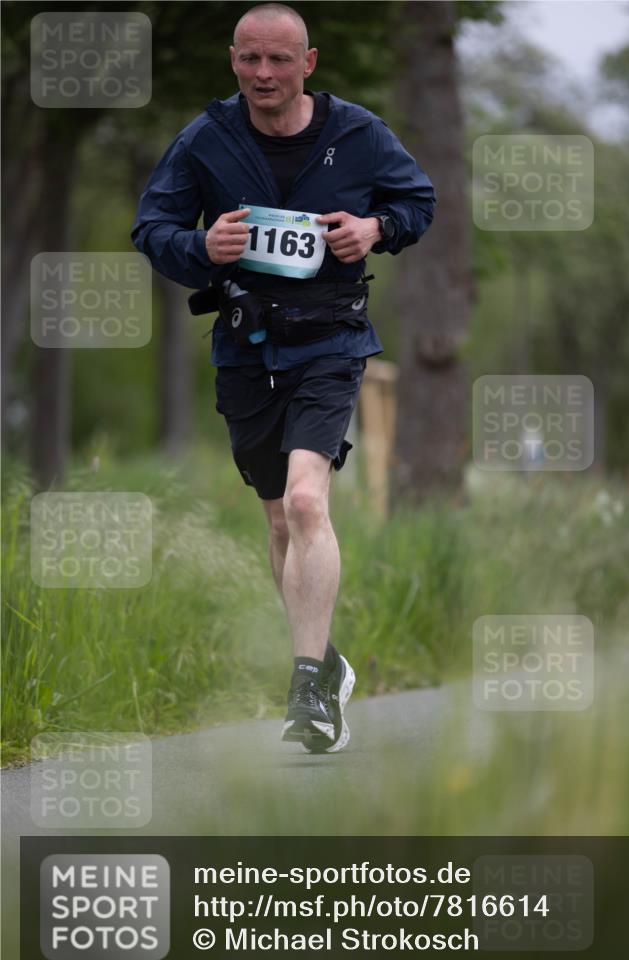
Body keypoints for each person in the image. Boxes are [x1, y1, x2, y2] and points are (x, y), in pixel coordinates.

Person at [132, 2, 435, 754]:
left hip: (331, 340)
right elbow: (152, 232)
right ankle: (325, 662)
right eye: (249, 59)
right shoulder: (206, 138)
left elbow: (415, 201)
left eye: (278, 60)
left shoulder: (359, 134)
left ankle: (306, 687)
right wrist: (205, 244)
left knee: (306, 502)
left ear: (309, 62)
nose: (262, 74)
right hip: (244, 348)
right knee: (277, 521)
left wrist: (375, 230)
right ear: (234, 60)